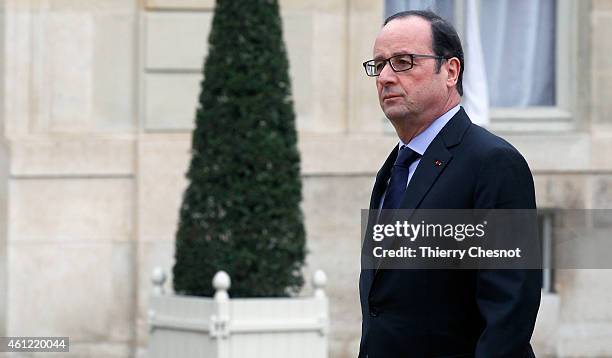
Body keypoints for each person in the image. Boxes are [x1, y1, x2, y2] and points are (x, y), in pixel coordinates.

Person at [358, 10, 542, 358]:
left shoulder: (493, 163)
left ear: (450, 71)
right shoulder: (395, 168)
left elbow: (508, 314)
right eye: (379, 64)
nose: (384, 77)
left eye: (403, 61)